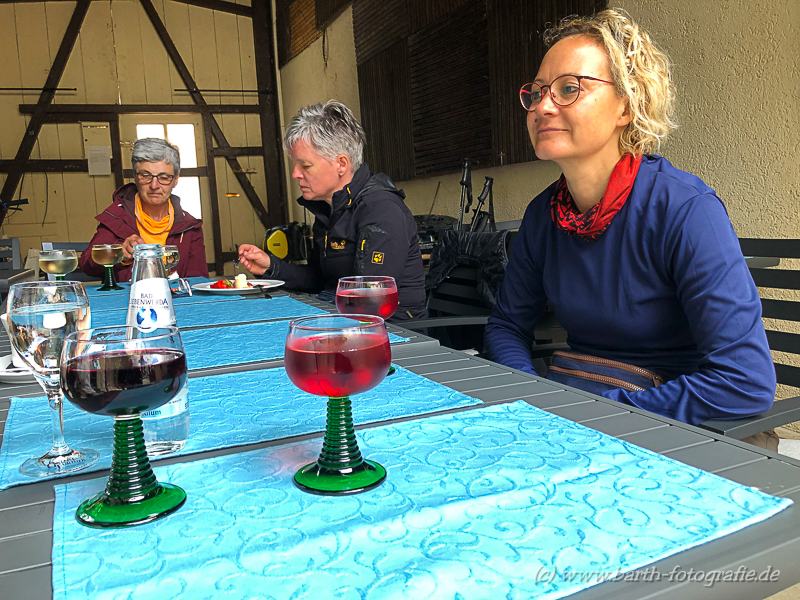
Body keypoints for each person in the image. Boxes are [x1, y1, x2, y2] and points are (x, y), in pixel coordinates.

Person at [483, 10, 777, 446]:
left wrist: (601, 413)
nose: (543, 106)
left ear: (626, 104)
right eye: (538, 92)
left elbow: (744, 381)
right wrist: (532, 397)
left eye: (569, 89)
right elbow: (507, 326)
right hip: (576, 413)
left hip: (683, 429)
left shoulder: (685, 209)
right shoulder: (543, 214)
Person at [237, 100, 427, 320]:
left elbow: (369, 300)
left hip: (393, 331)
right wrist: (271, 267)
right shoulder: (329, 210)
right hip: (339, 318)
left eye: (305, 165)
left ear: (341, 164)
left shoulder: (381, 210)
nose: (295, 174)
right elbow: (319, 279)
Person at [79, 138, 208, 282]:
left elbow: (198, 280)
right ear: (135, 177)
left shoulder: (189, 226)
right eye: (146, 176)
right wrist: (119, 254)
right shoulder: (118, 217)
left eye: (164, 177)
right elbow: (87, 264)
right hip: (127, 296)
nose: (154, 185)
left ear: (176, 180)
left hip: (175, 296)